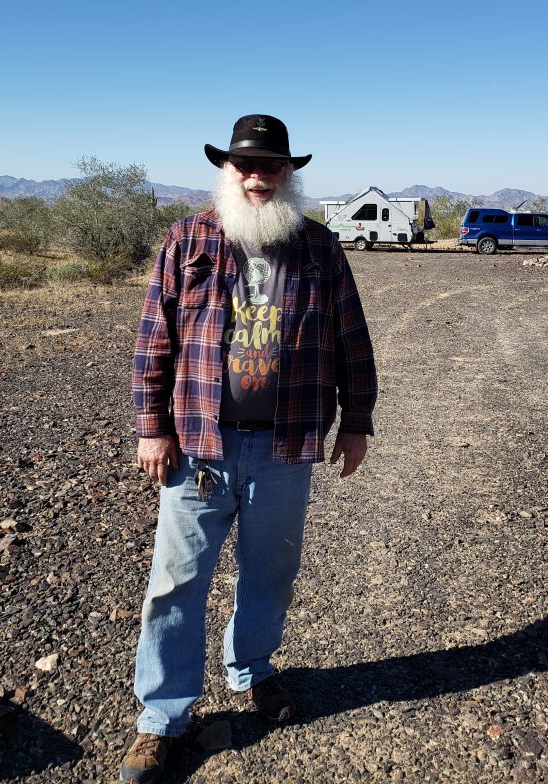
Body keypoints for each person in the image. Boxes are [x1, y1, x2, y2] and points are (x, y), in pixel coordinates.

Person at [120, 114, 377, 784]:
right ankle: (161, 720)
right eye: (246, 166)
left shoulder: (319, 248)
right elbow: (153, 341)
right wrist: (152, 426)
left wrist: (358, 420)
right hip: (200, 446)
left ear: (290, 173)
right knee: (176, 584)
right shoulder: (188, 240)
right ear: (227, 172)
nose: (259, 177)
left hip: (286, 445)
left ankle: (252, 672)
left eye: (273, 166)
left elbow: (353, 339)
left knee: (271, 572)